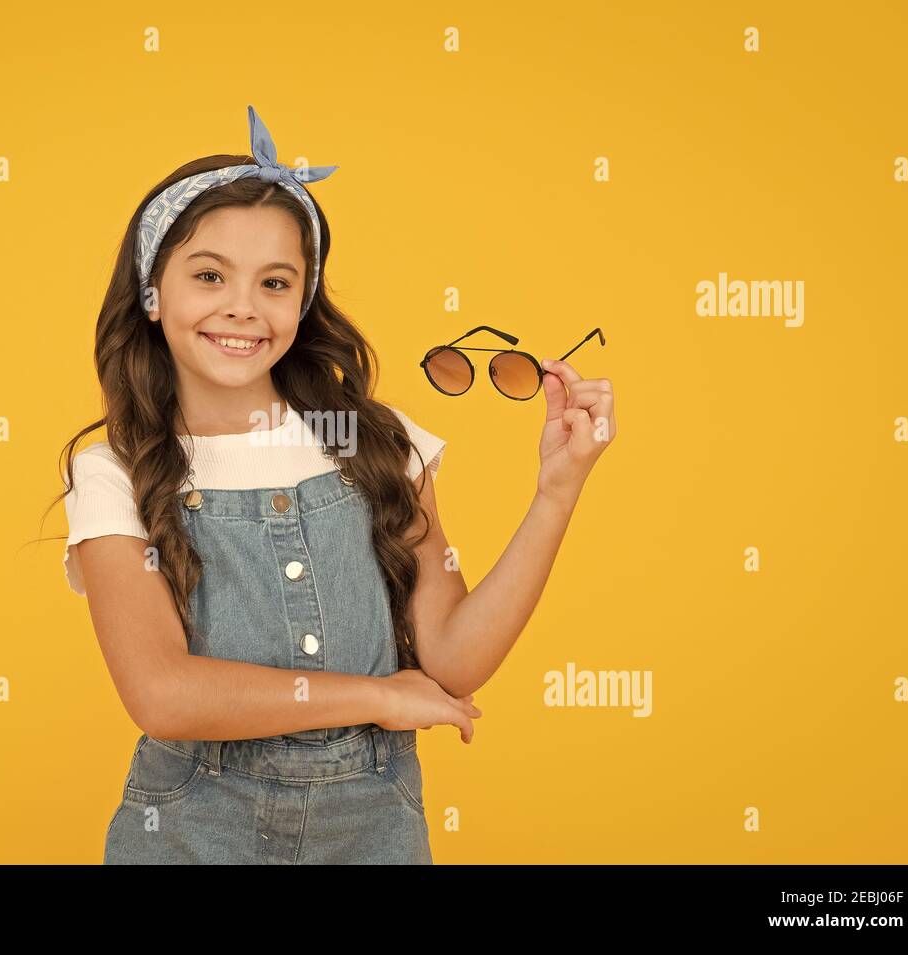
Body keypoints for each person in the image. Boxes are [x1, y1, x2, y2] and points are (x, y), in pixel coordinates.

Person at [57, 106, 616, 864]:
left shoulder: (377, 443)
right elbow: (164, 694)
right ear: (153, 292)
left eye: (275, 281)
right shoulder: (112, 472)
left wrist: (557, 490)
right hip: (191, 833)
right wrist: (379, 697)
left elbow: (453, 656)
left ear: (303, 299)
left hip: (373, 831)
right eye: (210, 274)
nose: (243, 306)